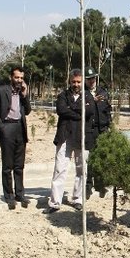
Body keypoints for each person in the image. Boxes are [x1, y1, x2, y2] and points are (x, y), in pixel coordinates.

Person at [45, 69, 96, 213]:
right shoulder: (63, 95)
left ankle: (77, 199)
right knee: (60, 169)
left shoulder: (88, 96)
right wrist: (79, 112)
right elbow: (61, 110)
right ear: (70, 81)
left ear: (82, 82)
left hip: (82, 137)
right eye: (73, 81)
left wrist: (71, 109)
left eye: (78, 81)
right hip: (65, 136)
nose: (76, 84)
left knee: (81, 170)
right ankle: (55, 202)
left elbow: (90, 111)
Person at [0, 66, 32, 210]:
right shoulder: (0, 91)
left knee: (19, 165)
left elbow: (27, 111)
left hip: (20, 129)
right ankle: (9, 196)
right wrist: (2, 128)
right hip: (7, 128)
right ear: (11, 77)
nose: (19, 80)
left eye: (21, 78)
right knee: (8, 166)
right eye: (17, 77)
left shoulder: (22, 93)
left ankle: (20, 194)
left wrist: (25, 95)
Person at [84, 66, 112, 197]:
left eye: (93, 78)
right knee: (92, 158)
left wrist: (109, 125)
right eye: (89, 79)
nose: (91, 81)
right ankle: (88, 185)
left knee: (102, 157)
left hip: (103, 129)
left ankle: (100, 185)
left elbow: (107, 109)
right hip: (91, 129)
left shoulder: (103, 91)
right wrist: (91, 100)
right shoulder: (84, 93)